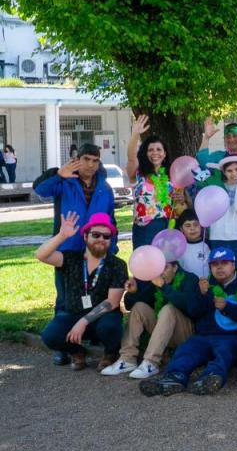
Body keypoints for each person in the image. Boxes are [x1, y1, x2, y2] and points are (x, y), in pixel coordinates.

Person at [33, 144, 118, 366]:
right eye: (87, 159)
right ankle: (68, 348)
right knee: (64, 298)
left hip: (96, 248)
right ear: (77, 159)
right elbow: (40, 190)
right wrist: (57, 175)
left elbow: (111, 219)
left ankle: (98, 338)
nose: (91, 164)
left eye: (95, 160)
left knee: (99, 296)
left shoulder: (105, 188)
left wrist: (112, 249)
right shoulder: (64, 182)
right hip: (68, 249)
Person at [140, 247, 237, 396]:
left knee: (225, 352)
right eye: (214, 264)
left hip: (233, 336)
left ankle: (211, 378)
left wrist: (227, 307)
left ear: (233, 265)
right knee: (187, 350)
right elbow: (193, 312)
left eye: (224, 263)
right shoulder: (206, 285)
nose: (219, 267)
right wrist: (201, 295)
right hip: (204, 335)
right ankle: (174, 377)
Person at [37, 212, 128, 371]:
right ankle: (77, 352)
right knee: (50, 335)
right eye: (96, 234)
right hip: (73, 314)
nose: (101, 239)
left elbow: (112, 302)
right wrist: (62, 235)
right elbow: (41, 255)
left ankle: (110, 353)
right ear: (85, 237)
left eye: (106, 236)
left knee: (110, 327)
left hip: (102, 316)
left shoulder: (117, 265)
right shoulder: (70, 258)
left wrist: (83, 322)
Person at [102, 256, 201, 380]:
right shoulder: (155, 282)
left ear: (175, 268)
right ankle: (127, 359)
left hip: (186, 335)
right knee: (139, 307)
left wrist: (164, 287)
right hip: (164, 333)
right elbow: (129, 306)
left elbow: (191, 307)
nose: (161, 272)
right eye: (158, 268)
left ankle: (151, 362)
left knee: (168, 309)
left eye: (165, 268)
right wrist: (134, 292)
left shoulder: (190, 279)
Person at [126, 115, 183, 247]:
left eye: (159, 149)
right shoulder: (138, 173)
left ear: (164, 154)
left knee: (167, 266)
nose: (155, 153)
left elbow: (178, 204)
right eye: (150, 150)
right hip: (146, 228)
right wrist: (135, 135)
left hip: (168, 225)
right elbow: (131, 158)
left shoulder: (172, 176)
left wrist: (180, 198)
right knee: (147, 266)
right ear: (145, 153)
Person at [196, 119, 237, 187]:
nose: (231, 139)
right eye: (228, 137)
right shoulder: (219, 156)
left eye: (235, 136)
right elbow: (202, 162)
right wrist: (206, 138)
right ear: (224, 139)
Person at [175, 208, 212, 278]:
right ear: (181, 229)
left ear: (201, 226)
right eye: (188, 226)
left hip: (206, 284)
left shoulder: (208, 244)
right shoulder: (179, 246)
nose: (192, 228)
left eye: (196, 224)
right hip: (187, 286)